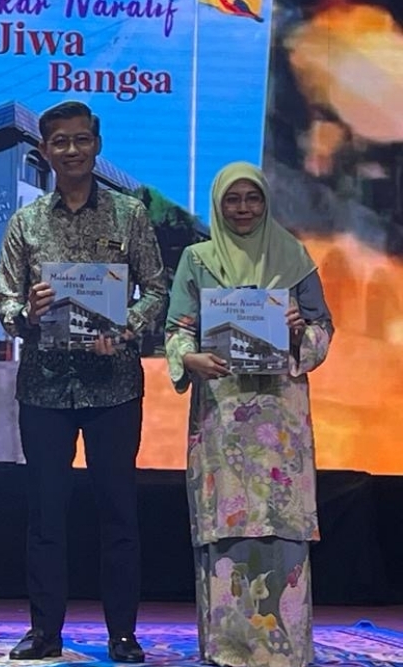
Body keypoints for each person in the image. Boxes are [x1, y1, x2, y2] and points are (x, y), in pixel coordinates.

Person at [0, 101, 166, 663]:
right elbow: (5, 301)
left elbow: (157, 292)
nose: (71, 150)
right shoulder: (26, 222)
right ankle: (45, 631)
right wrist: (29, 313)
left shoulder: (129, 215)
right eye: (59, 142)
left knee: (118, 511)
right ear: (43, 151)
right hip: (44, 386)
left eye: (80, 140)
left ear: (96, 144)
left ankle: (123, 633)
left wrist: (128, 327)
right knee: (45, 514)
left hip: (113, 385)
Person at [165, 162, 333, 667]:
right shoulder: (197, 259)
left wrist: (301, 329)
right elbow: (176, 329)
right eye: (231, 200)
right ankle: (230, 650)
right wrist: (187, 357)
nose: (242, 209)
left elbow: (324, 330)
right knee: (228, 529)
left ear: (264, 202)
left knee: (280, 528)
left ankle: (284, 650)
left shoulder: (294, 257)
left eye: (252, 198)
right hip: (222, 415)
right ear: (218, 205)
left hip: (280, 420)